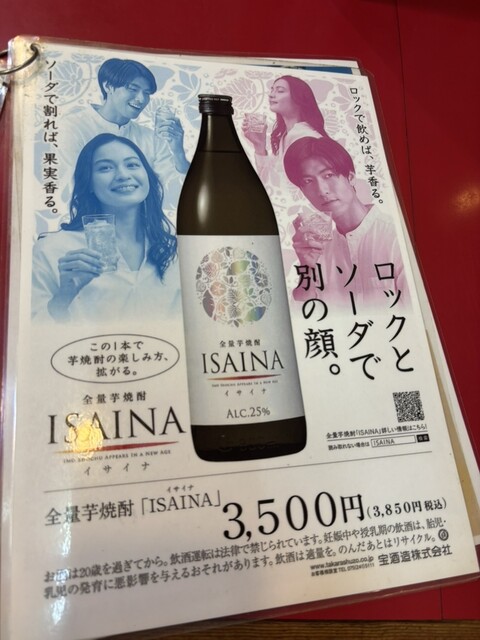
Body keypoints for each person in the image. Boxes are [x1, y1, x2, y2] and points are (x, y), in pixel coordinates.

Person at [32, 133, 180, 323]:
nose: (123, 175)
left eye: (132, 165)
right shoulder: (52, 250)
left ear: (148, 176)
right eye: (105, 168)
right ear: (89, 183)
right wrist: (65, 295)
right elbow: (34, 330)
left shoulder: (175, 247)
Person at [283, 136, 408, 309]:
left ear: (350, 177)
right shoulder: (318, 249)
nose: (322, 190)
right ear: (302, 191)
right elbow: (304, 315)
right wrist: (307, 268)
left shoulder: (396, 236)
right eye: (308, 181)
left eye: (328, 175)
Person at [59, 58, 189, 208]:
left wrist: (178, 151)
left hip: (139, 220)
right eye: (133, 89)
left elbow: (176, 190)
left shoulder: (151, 138)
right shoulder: (73, 126)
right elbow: (72, 188)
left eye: (146, 93)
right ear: (108, 86)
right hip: (89, 218)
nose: (141, 99)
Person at [242, 75, 328, 190]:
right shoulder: (286, 136)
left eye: (280, 91)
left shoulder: (305, 137)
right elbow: (268, 181)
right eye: (272, 90)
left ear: (299, 98)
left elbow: (278, 186)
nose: (271, 95)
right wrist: (259, 145)